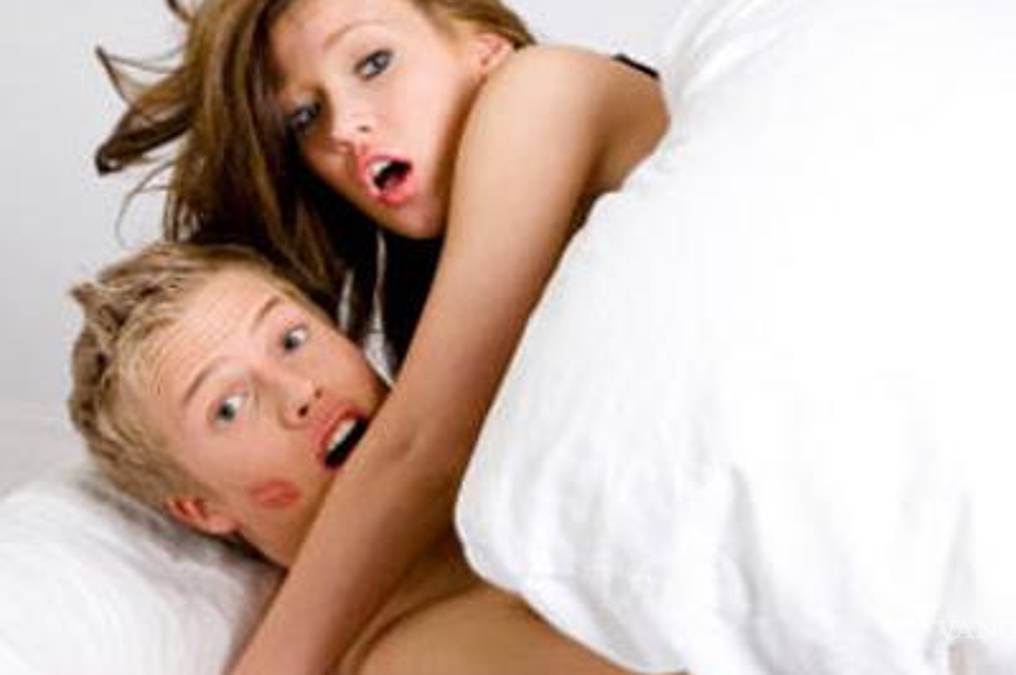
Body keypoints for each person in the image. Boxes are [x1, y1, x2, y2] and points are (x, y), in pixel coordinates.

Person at [95, 0, 668, 671]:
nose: (343, 128)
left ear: (484, 45)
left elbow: (423, 442)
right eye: (305, 116)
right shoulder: (430, 630)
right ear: (199, 508)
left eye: (373, 62)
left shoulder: (540, 91)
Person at [67, 241, 634, 675]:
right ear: (201, 509)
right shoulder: (413, 657)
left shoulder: (535, 422)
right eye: (230, 407)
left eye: (292, 340)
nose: (299, 392)